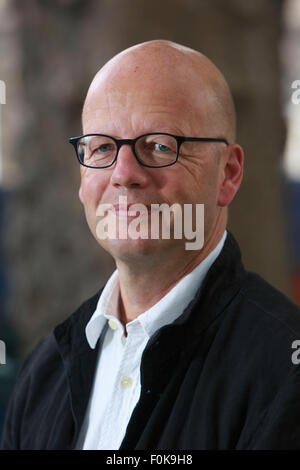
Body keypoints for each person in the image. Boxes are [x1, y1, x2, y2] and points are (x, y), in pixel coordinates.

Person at [2, 39, 300, 451]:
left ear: (227, 174)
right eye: (103, 147)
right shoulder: (43, 372)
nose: (124, 174)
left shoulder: (284, 371)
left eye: (160, 146)